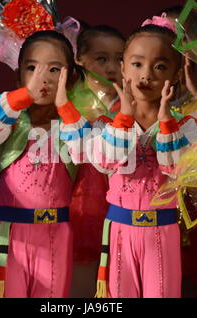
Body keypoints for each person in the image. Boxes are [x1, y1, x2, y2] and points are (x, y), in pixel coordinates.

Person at [58, 17, 197, 297]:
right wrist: (123, 118)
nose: (146, 75)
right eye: (137, 64)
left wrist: (165, 122)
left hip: (163, 231)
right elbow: (106, 162)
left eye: (160, 66)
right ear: (123, 68)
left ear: (174, 74)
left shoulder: (187, 126)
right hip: (120, 231)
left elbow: (176, 168)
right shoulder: (105, 124)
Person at [0, 30, 83, 298]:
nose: (42, 78)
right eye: (32, 68)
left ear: (71, 79)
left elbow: (86, 151)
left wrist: (65, 107)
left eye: (54, 70)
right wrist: (23, 94)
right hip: (11, 234)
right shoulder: (9, 118)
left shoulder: (73, 126)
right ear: (18, 74)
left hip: (57, 234)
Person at [68, 25, 125, 297]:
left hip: (120, 206)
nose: (112, 67)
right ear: (80, 60)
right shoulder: (67, 100)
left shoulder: (132, 103)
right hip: (79, 204)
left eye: (119, 58)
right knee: (81, 282)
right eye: (101, 59)